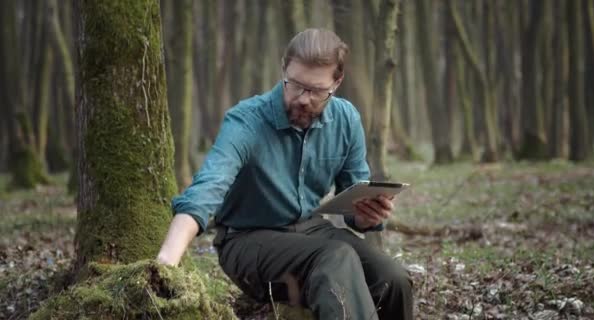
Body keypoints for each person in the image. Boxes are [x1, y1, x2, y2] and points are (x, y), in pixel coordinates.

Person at [156, 28, 413, 320]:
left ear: (337, 82)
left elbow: (354, 195)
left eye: (316, 91)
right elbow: (205, 190)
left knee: (394, 280)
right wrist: (166, 263)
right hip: (246, 240)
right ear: (283, 69)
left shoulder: (346, 119)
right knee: (335, 258)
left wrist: (366, 217)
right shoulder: (247, 121)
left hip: (311, 230)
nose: (303, 99)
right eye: (295, 85)